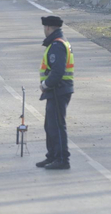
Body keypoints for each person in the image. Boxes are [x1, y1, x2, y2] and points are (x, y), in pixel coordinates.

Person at [37, 16, 74, 170]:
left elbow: (58, 71)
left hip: (58, 88)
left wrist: (46, 84)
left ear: (48, 28)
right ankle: (52, 156)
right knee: (50, 125)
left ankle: (61, 159)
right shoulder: (58, 42)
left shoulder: (57, 45)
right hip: (57, 89)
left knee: (57, 126)